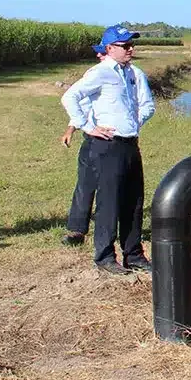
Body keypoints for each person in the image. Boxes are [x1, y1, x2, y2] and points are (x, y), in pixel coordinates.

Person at [61, 25, 155, 276]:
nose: (130, 49)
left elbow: (145, 105)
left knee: (133, 201)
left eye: (131, 45)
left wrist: (133, 124)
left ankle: (133, 254)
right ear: (110, 48)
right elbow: (70, 97)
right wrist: (87, 126)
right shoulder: (100, 72)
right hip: (108, 146)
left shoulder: (132, 73)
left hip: (130, 144)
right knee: (109, 202)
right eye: (125, 46)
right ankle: (104, 256)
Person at [59, 44, 107, 247]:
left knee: (113, 188)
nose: (98, 54)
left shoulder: (130, 76)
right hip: (93, 139)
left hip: (119, 142)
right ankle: (77, 230)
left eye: (102, 51)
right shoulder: (94, 75)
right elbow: (81, 104)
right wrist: (72, 129)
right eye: (99, 51)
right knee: (85, 184)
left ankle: (113, 231)